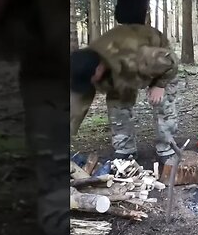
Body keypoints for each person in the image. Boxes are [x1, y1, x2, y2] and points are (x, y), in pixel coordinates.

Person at [70, 24, 179, 163]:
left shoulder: (136, 56)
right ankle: (125, 148)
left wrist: (159, 85)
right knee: (117, 103)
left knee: (162, 102)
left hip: (159, 63)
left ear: (98, 69)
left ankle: (167, 146)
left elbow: (172, 62)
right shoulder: (85, 65)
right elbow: (76, 106)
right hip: (119, 71)